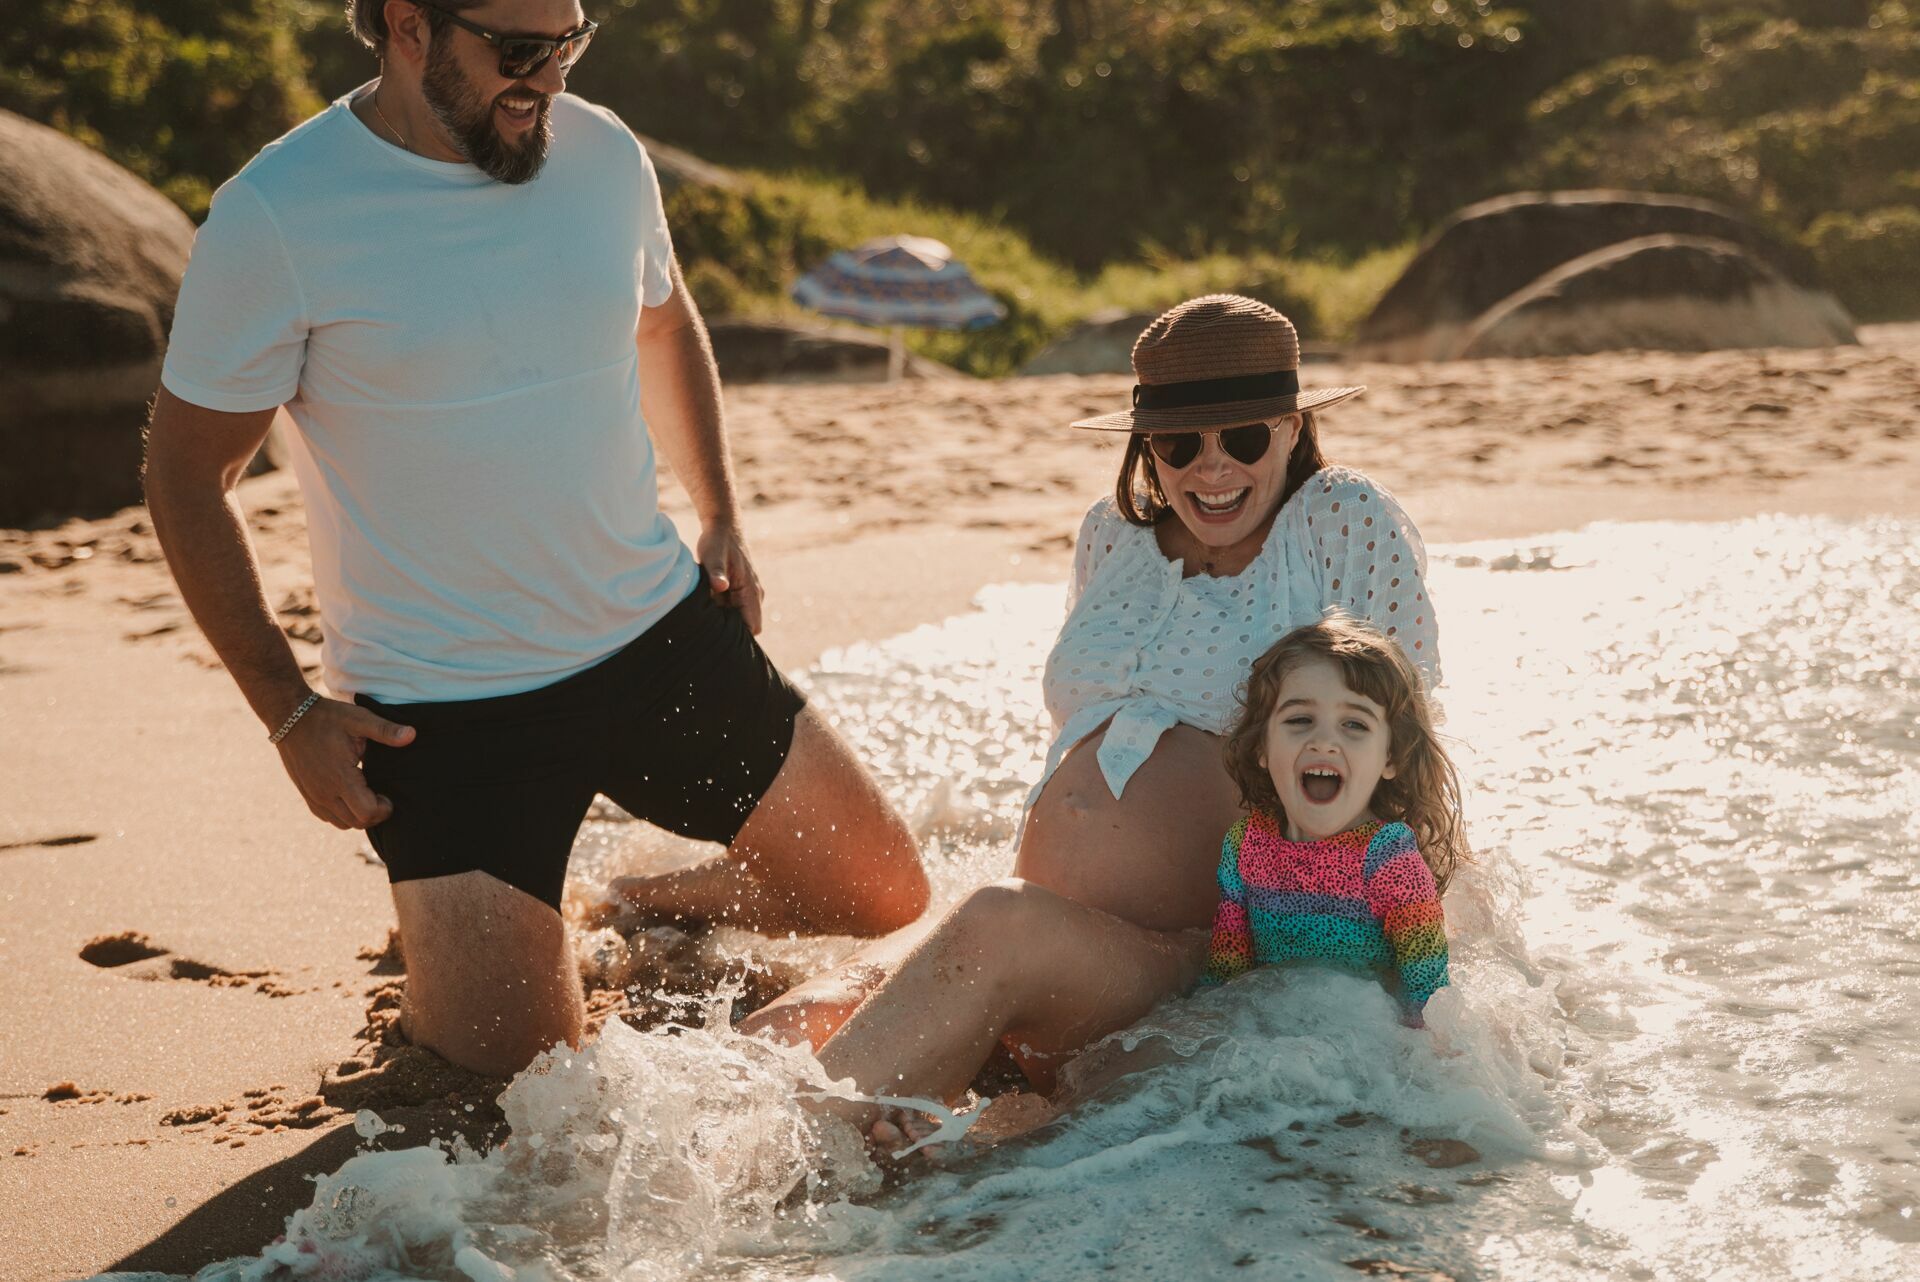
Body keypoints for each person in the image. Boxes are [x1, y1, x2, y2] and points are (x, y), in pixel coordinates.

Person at [141, 0, 928, 1078]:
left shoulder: (605, 155)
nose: (550, 79)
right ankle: (480, 928)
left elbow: (662, 318)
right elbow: (187, 477)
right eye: (519, 52)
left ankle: (639, 902)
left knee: (889, 903)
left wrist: (721, 513)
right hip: (445, 716)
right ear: (409, 26)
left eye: (569, 43)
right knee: (517, 1090)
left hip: (656, 638)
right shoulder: (277, 215)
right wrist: (287, 712)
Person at [733, 293, 1444, 1131]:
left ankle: (771, 1210)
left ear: (1292, 427)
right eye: (1179, 444)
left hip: (1183, 953)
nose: (1211, 470)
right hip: (1046, 923)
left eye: (1243, 437)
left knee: (990, 930)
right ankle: (694, 1202)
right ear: (1148, 445)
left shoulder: (1338, 519)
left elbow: (1400, 742)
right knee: (781, 1030)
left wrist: (1411, 957)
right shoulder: (1112, 537)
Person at [1200, 614, 1463, 1030]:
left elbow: (1428, 997)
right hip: (1279, 1037)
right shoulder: (1246, 845)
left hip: (1368, 1042)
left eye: (1354, 724)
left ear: (1390, 758)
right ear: (1262, 749)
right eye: (1300, 720)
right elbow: (1226, 970)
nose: (1324, 741)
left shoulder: (1388, 859)